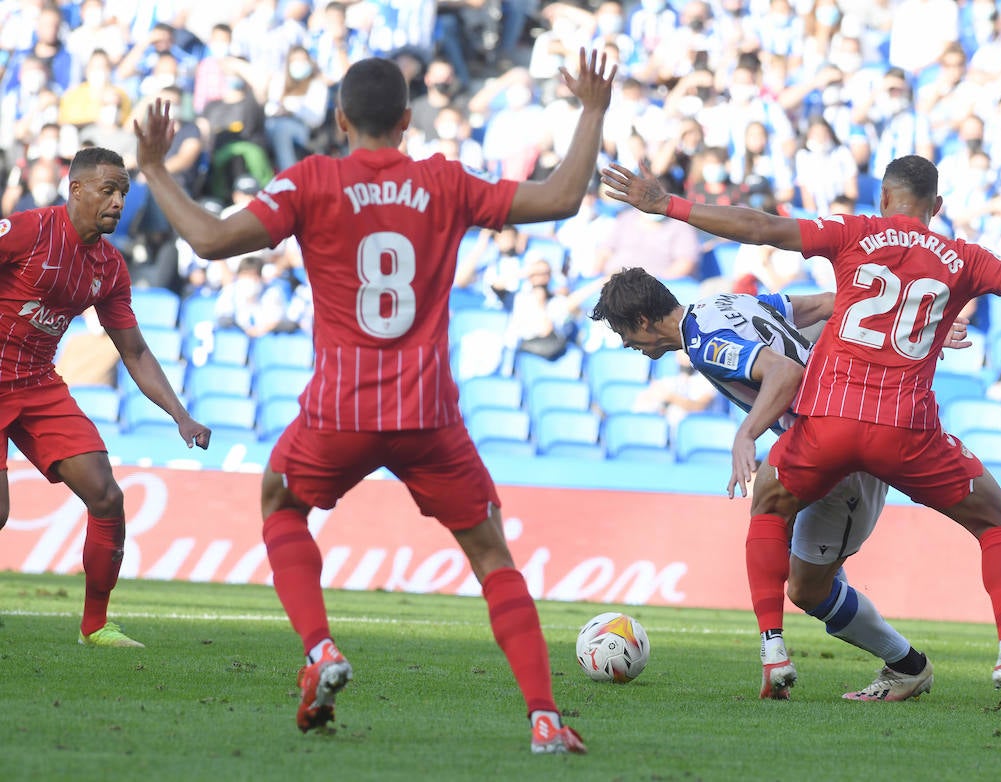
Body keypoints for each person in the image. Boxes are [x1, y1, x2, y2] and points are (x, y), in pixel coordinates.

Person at [598, 153, 1001, 714]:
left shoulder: (854, 234)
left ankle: (774, 650)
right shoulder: (962, 258)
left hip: (827, 424)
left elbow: (761, 228)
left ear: (883, 195)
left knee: (769, 506)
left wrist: (668, 205)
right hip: (905, 429)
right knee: (994, 522)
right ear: (935, 207)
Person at [135, 49, 617, 754]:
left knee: (279, 501)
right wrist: (593, 110)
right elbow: (560, 199)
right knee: (491, 555)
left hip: (339, 412)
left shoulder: (313, 181)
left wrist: (152, 167)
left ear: (339, 119)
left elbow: (208, 241)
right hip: (427, 415)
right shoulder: (444, 181)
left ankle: (321, 650)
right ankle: (543, 717)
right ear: (406, 119)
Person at [591, 267, 969, 701]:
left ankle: (906, 666)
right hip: (828, 437)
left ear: (641, 321)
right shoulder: (731, 302)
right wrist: (918, 323)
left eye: (623, 332)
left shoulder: (704, 343)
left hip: (838, 457)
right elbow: (825, 303)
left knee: (807, 589)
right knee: (784, 539)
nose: (625, 344)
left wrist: (745, 434)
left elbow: (784, 373)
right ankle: (778, 649)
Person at [0, 146, 212, 648]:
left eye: (123, 191)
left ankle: (95, 625)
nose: (118, 201)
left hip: (34, 382)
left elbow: (134, 352)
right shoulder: (29, 229)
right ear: (77, 189)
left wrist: (181, 416)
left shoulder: (110, 268)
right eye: (108, 189)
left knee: (106, 494)